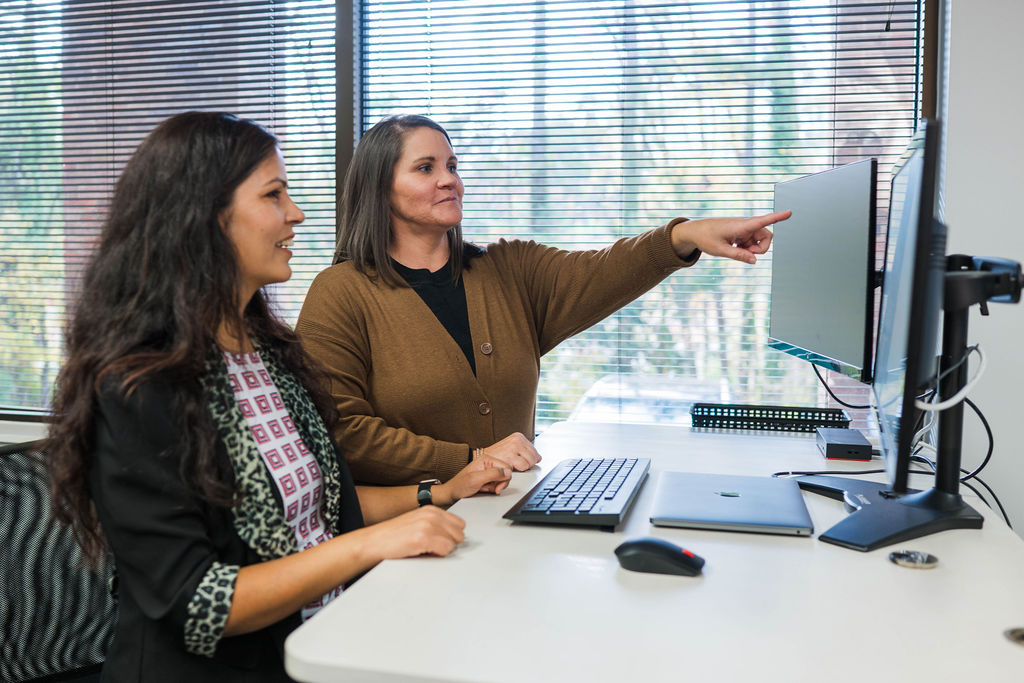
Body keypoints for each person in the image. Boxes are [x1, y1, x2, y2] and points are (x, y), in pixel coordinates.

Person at [45, 111, 512, 682]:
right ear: (204, 217)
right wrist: (368, 547)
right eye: (273, 195)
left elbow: (323, 507)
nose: (296, 213)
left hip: (328, 642)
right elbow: (198, 604)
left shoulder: (271, 354)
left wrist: (440, 492)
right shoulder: (138, 387)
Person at [296, 114, 790, 486]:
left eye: (451, 165)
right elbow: (341, 432)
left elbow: (606, 269)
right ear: (379, 189)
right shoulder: (341, 293)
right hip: (406, 541)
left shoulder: (509, 270)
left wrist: (688, 233)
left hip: (511, 523)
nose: (449, 179)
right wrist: (470, 461)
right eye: (425, 168)